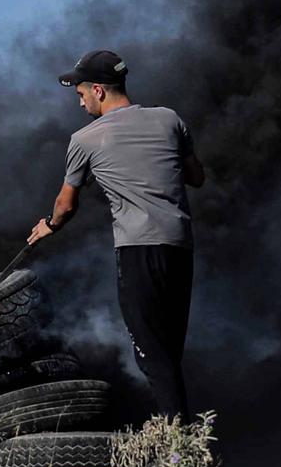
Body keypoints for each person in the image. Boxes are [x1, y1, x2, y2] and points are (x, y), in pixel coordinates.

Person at [29, 49, 206, 420]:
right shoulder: (169, 119)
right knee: (169, 349)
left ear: (98, 90)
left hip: (139, 250)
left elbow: (66, 204)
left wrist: (49, 225)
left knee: (150, 352)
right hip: (179, 246)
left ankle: (180, 448)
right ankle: (182, 440)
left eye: (80, 95)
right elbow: (196, 177)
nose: (79, 103)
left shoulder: (85, 139)